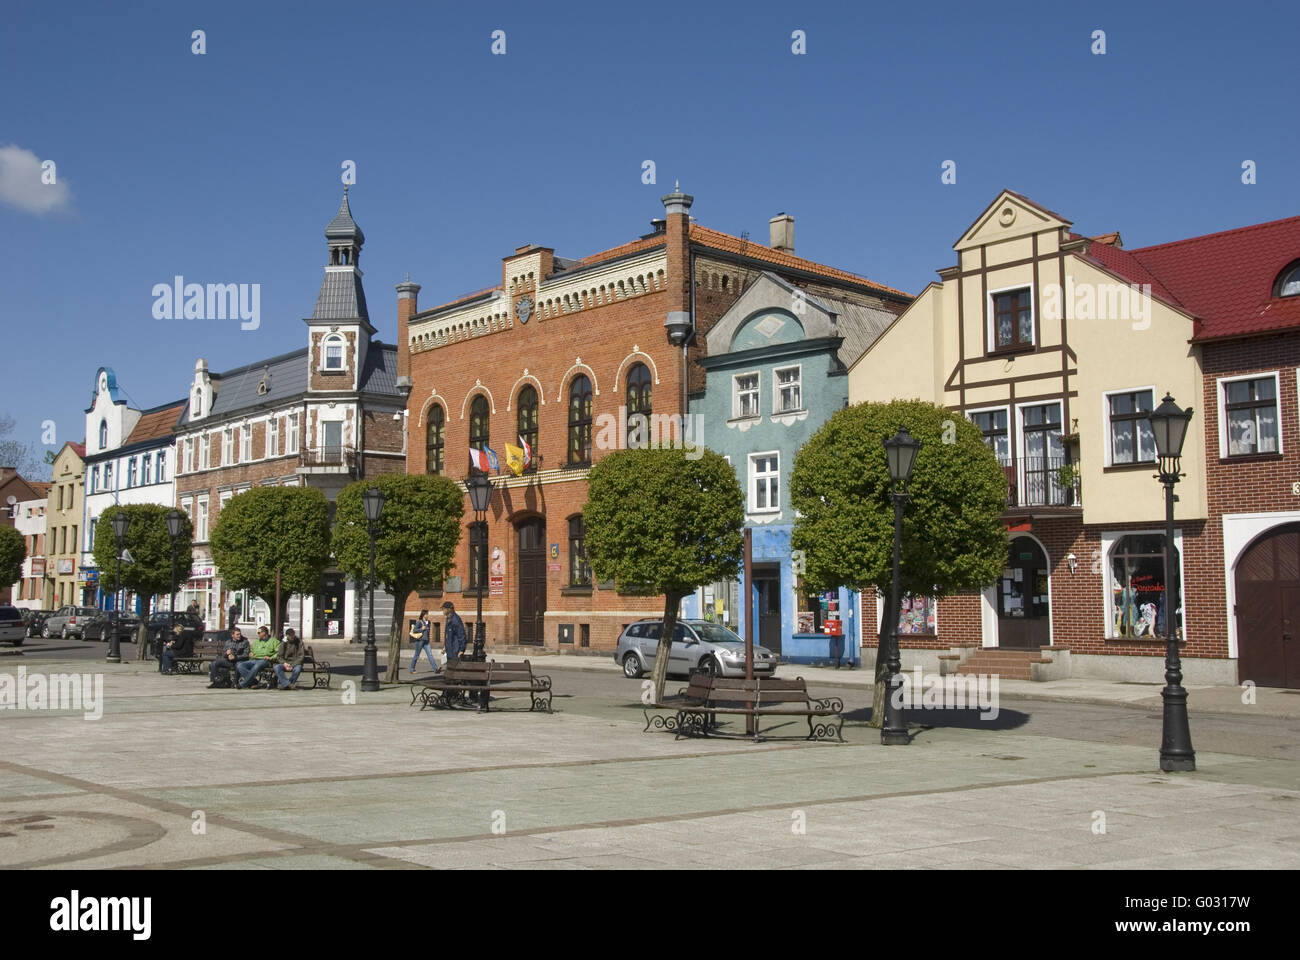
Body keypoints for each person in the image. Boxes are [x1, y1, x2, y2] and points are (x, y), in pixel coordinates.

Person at [409, 609, 437, 674]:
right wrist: (421, 629)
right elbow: (414, 630)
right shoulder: (419, 622)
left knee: (430, 655)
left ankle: (435, 669)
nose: (428, 615)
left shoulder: (429, 622)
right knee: (416, 655)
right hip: (420, 641)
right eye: (427, 614)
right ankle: (412, 669)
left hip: (426, 642)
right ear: (424, 615)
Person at [442, 601, 467, 665]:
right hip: (450, 650)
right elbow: (448, 635)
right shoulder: (448, 619)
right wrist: (445, 646)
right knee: (450, 669)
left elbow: (461, 635)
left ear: (449, 609)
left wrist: (461, 650)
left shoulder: (455, 620)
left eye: (444, 609)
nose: (443, 610)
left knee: (455, 670)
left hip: (455, 651)